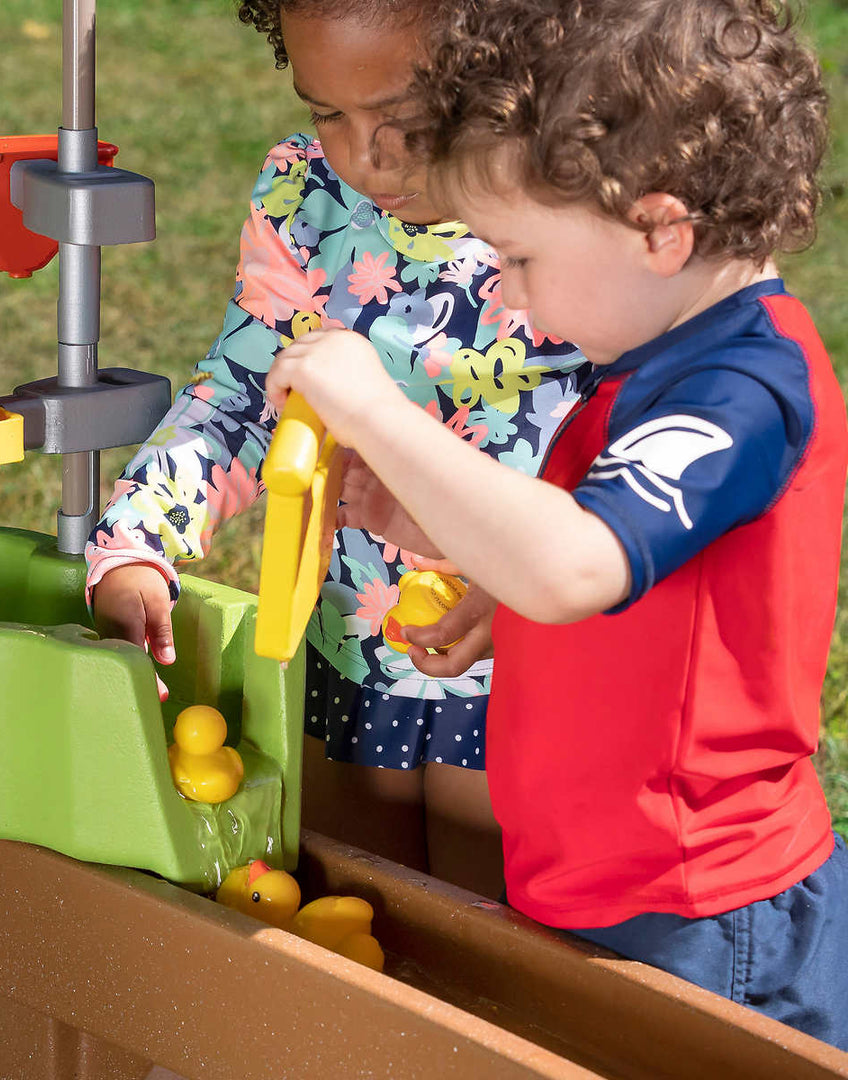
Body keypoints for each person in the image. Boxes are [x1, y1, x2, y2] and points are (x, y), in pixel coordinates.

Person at [264, 0, 848, 1049]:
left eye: (522, 257)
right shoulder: (668, 364)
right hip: (613, 886)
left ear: (662, 230)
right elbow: (620, 562)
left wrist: (378, 413)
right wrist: (468, 554)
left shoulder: (742, 391)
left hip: (702, 911)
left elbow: (576, 566)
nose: (513, 296)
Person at [85, 0, 590, 896]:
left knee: (491, 945)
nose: (368, 156)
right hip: (350, 647)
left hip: (528, 659)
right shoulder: (308, 197)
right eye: (329, 112)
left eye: (408, 114)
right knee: (355, 916)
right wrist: (141, 542)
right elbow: (247, 394)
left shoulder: (581, 212)